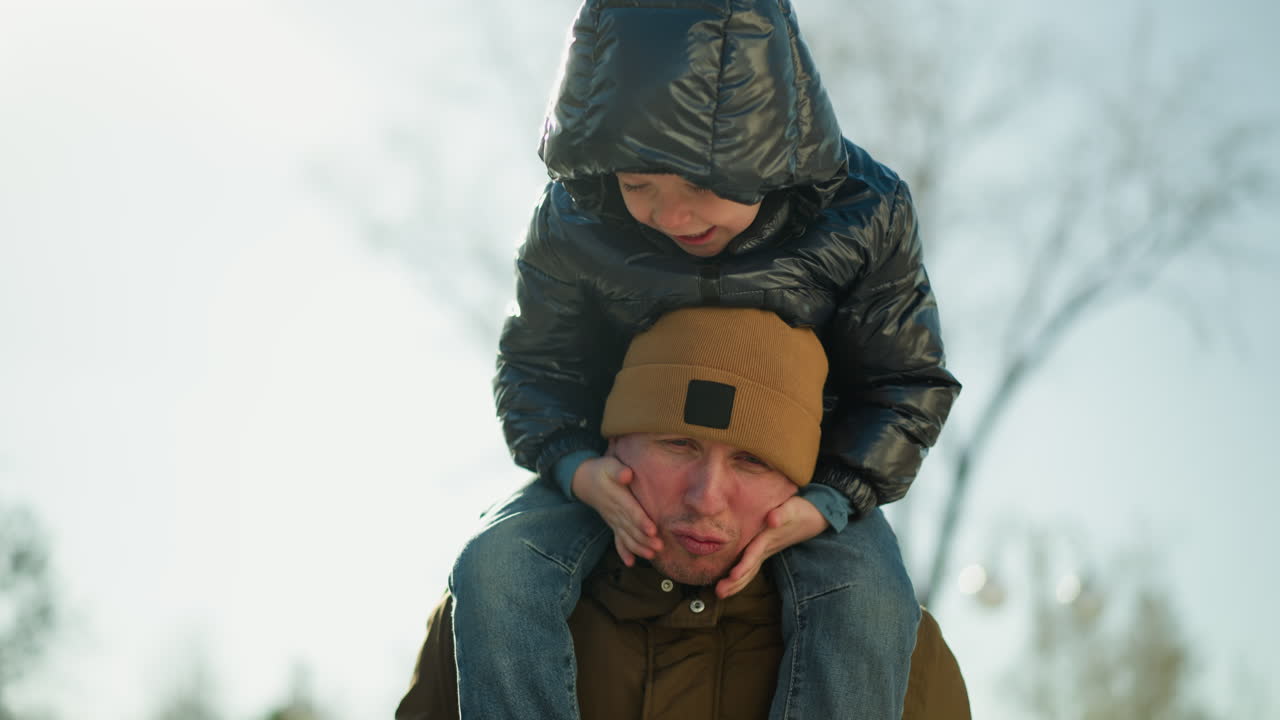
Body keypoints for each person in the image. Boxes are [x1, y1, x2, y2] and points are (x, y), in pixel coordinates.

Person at [453, 1, 962, 718]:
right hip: (617, 465)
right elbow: (537, 368)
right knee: (496, 567)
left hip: (804, 479)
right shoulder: (574, 219)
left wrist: (830, 498)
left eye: (700, 185)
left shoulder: (864, 214)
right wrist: (574, 465)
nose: (671, 216)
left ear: (768, 155)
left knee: (869, 603)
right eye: (639, 186)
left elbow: (905, 380)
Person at [402, 308, 970, 720]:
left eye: (752, 460)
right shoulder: (485, 621)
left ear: (802, 481)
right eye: (678, 445)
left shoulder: (894, 651)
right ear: (613, 444)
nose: (706, 497)